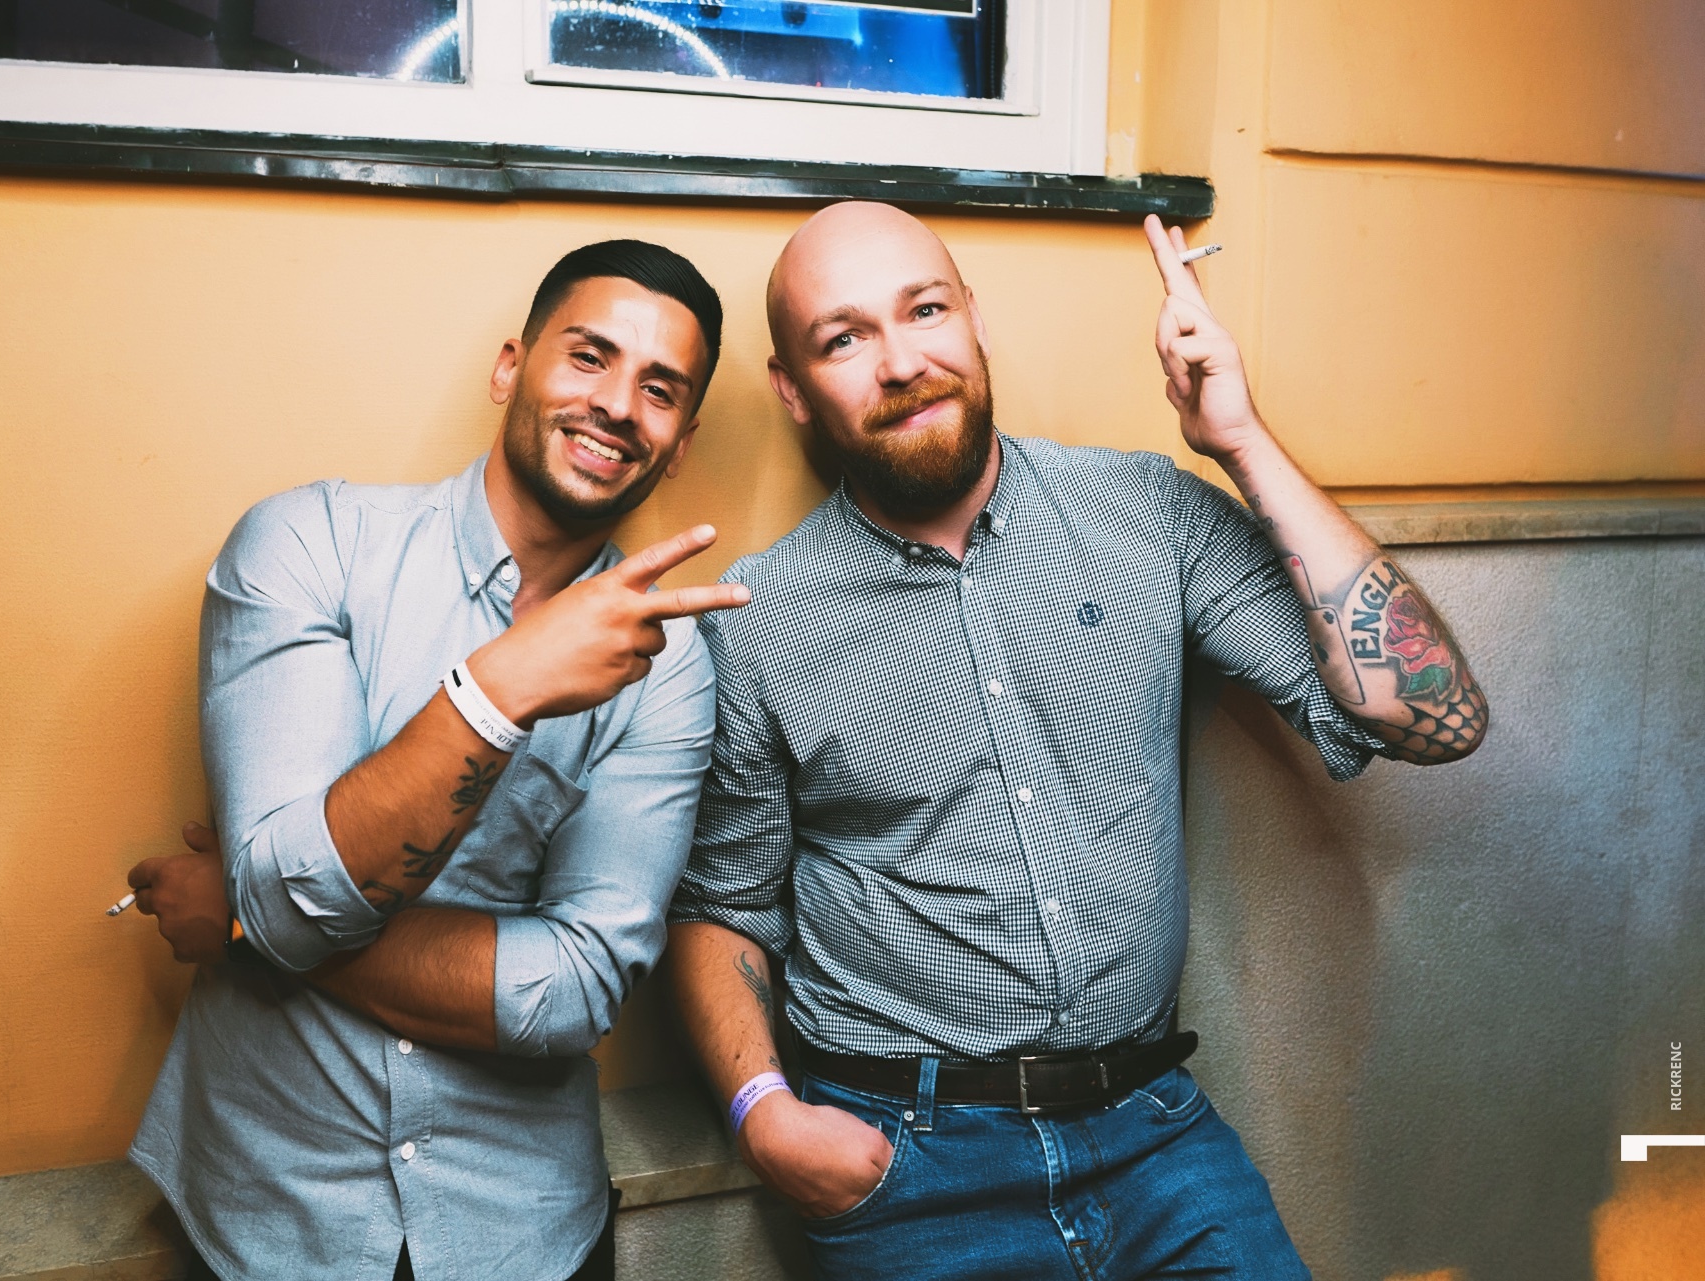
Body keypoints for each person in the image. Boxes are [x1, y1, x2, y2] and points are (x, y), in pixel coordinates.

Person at [668, 203, 1488, 1279]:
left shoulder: (1148, 513)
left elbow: (1434, 718)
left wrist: (1241, 439)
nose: (902, 361)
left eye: (925, 310)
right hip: (911, 1165)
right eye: (845, 337)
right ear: (793, 389)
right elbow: (722, 907)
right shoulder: (759, 619)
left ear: (976, 318)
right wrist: (763, 1113)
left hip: (1154, 1136)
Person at [123, 239, 750, 1281]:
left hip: (524, 1228)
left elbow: (576, 989)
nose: (616, 405)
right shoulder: (309, 544)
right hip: (265, 1213)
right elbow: (288, 898)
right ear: (511, 367)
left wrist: (244, 919)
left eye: (659, 388)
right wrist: (499, 689)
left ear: (679, 444)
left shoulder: (670, 664)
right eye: (589, 356)